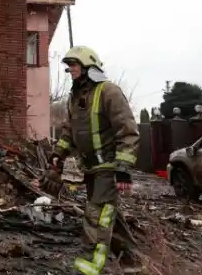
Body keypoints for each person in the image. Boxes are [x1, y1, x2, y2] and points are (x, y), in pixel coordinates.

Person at [43, 45, 140, 275]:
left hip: (108, 166)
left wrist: (123, 168)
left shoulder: (109, 92)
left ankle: (89, 268)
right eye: (68, 67)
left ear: (88, 66)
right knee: (107, 213)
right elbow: (69, 132)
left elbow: (128, 132)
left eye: (73, 65)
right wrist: (58, 155)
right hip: (90, 169)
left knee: (97, 215)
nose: (70, 71)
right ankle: (132, 261)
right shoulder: (75, 98)